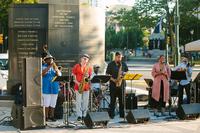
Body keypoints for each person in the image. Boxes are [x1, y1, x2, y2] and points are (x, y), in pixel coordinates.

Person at [106, 51, 128, 119]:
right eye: (118, 57)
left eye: (121, 57)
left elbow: (127, 71)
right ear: (115, 57)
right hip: (113, 84)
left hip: (121, 84)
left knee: (122, 101)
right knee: (113, 101)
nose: (120, 59)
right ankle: (111, 115)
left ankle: (122, 115)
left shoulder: (123, 64)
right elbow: (107, 74)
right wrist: (114, 80)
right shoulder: (110, 64)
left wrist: (124, 74)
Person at [72, 54, 92, 121]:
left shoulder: (89, 68)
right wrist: (78, 83)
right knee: (78, 101)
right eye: (84, 58)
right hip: (78, 86)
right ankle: (79, 115)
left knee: (85, 102)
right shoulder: (76, 66)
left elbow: (89, 79)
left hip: (86, 87)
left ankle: (84, 115)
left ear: (88, 60)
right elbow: (73, 78)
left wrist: (87, 77)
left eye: (86, 59)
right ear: (81, 59)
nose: (85, 60)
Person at [42, 54, 61, 121]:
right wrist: (50, 66)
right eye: (49, 59)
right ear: (46, 60)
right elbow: (42, 74)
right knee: (46, 103)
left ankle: (52, 116)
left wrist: (56, 70)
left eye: (52, 59)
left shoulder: (55, 67)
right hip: (46, 88)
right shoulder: (43, 66)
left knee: (53, 103)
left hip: (55, 88)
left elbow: (59, 75)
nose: (51, 60)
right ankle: (46, 117)